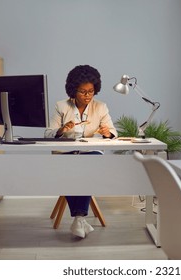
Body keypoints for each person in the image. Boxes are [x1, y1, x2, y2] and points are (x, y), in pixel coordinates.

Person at [45, 65, 117, 238]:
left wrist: (107, 133)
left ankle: (78, 217)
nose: (87, 96)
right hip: (66, 153)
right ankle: (80, 218)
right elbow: (48, 133)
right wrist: (62, 129)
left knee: (86, 167)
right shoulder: (61, 106)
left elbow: (114, 133)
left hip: (90, 153)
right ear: (73, 91)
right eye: (83, 92)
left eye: (91, 91)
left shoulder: (101, 107)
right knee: (72, 169)